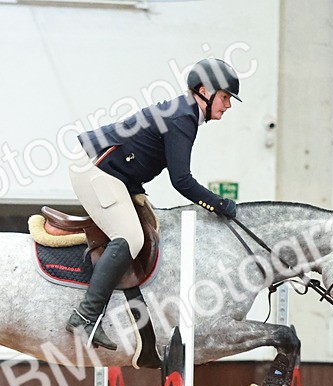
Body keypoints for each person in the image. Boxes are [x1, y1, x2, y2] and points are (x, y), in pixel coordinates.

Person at [66, 58, 242, 350]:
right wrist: (219, 204)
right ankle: (84, 316)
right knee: (131, 238)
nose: (228, 105)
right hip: (94, 169)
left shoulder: (184, 113)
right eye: (225, 97)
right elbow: (181, 180)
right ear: (203, 91)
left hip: (118, 175)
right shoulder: (182, 118)